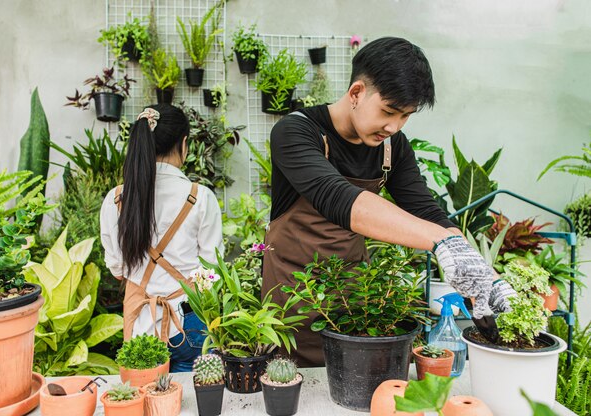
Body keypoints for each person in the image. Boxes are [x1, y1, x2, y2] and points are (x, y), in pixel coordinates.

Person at [262, 37, 515, 367]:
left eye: (405, 116)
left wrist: (478, 276)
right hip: (290, 305)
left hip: (353, 303)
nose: (393, 126)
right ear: (356, 93)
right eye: (388, 111)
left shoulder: (393, 147)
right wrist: (442, 242)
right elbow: (336, 197)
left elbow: (425, 209)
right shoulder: (295, 132)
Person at [100, 104, 223, 372]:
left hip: (140, 323)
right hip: (190, 322)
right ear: (184, 144)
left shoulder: (116, 199)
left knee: (144, 405)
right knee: (194, 402)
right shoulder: (200, 197)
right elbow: (212, 271)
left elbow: (119, 271)